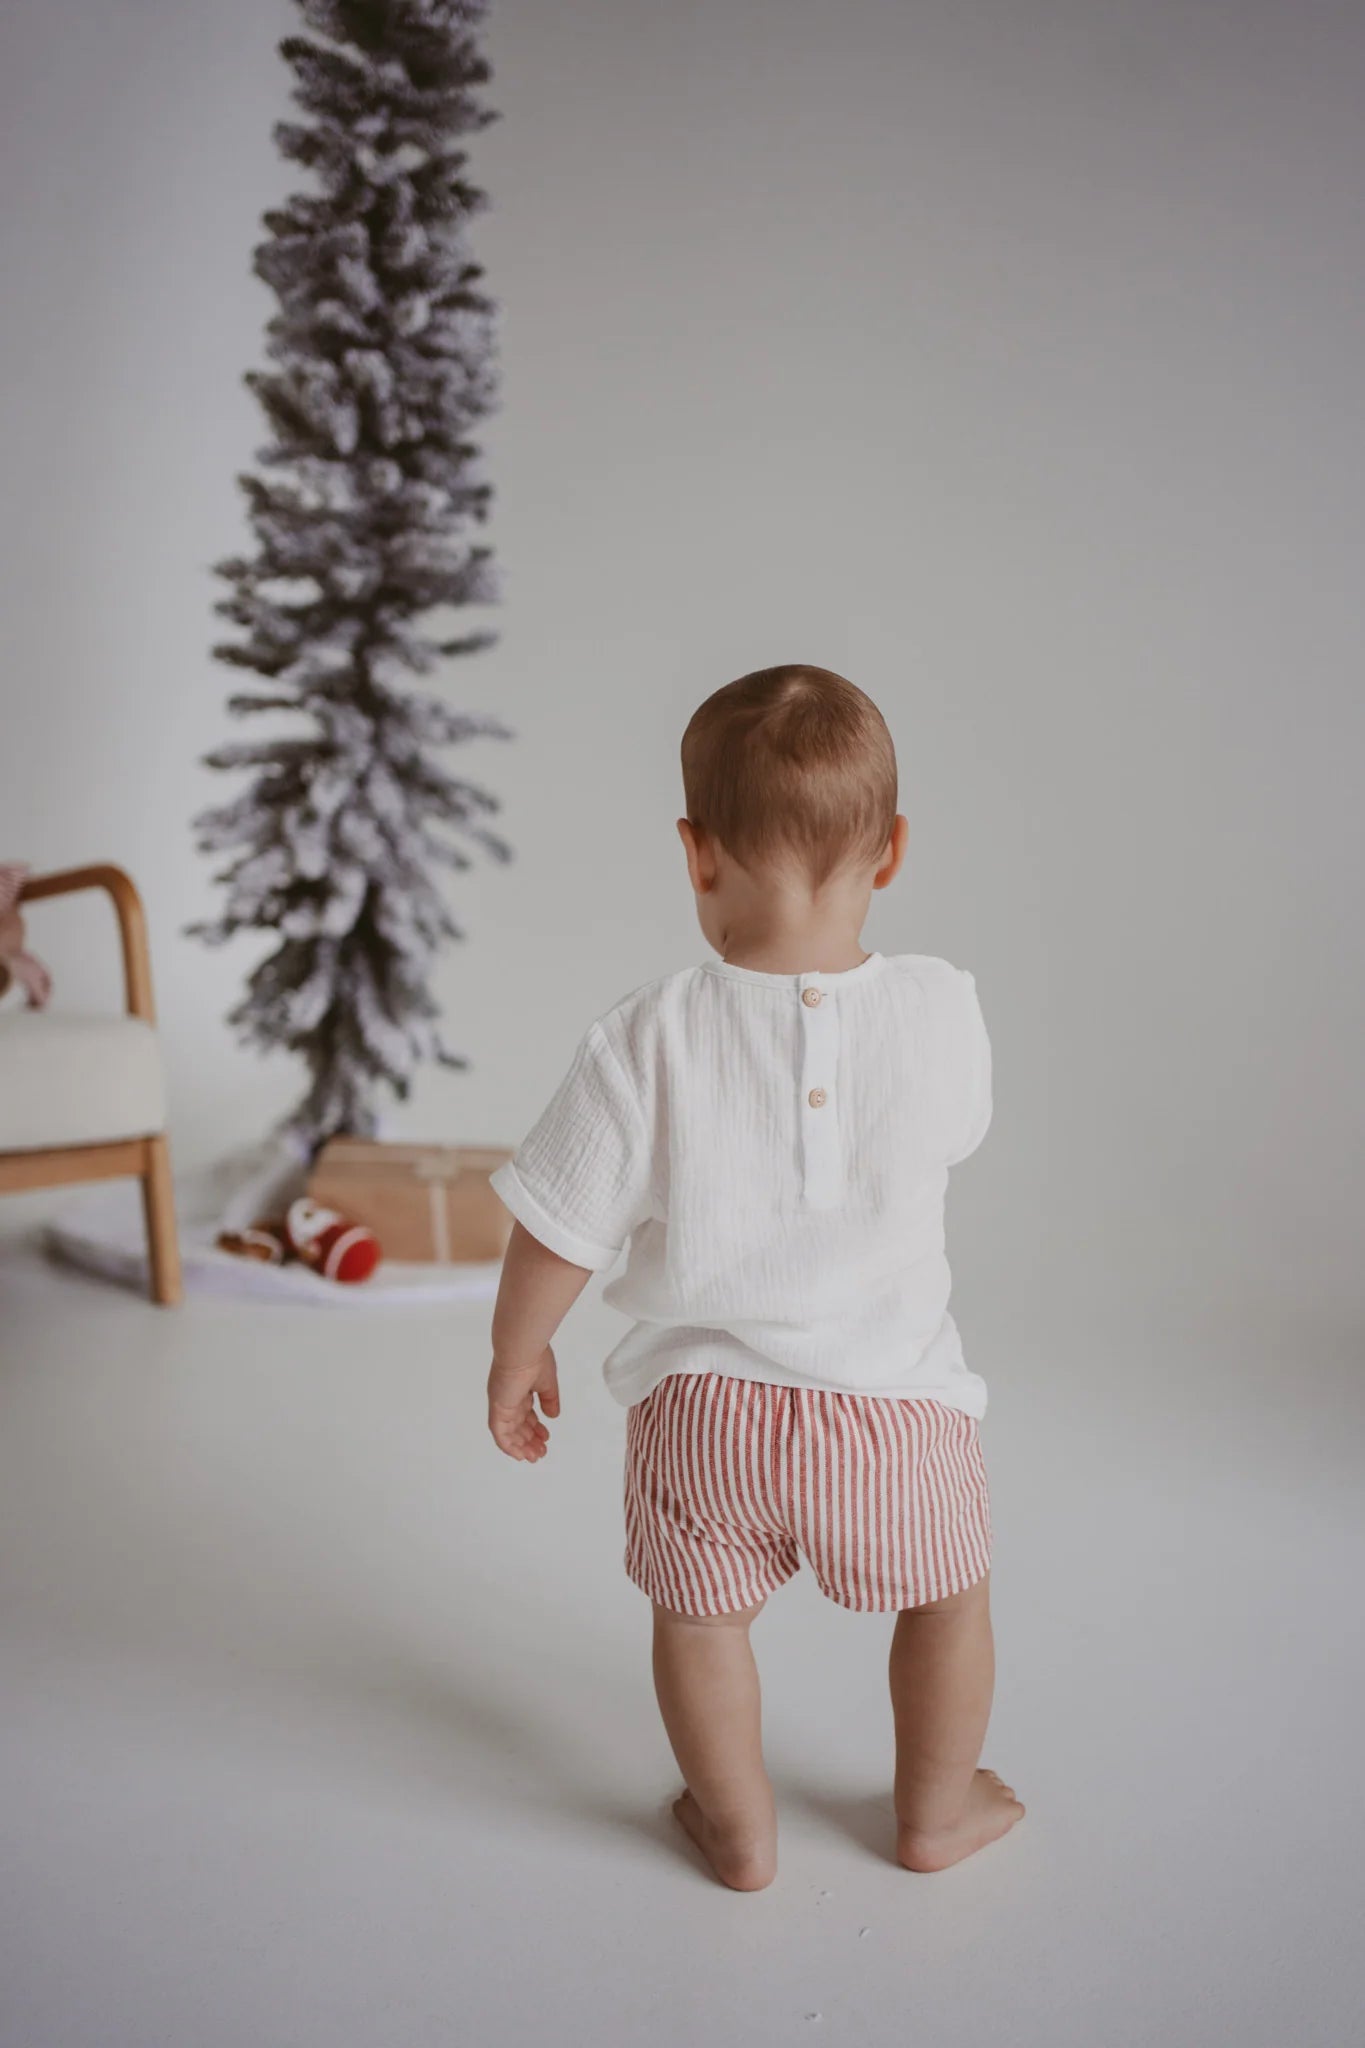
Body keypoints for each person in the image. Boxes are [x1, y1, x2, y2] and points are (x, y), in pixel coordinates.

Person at [486, 664, 1023, 1890]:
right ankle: (935, 1810)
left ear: (695, 852)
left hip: (703, 1414)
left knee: (699, 1618)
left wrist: (519, 1355)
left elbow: (562, 1223)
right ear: (890, 853)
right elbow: (958, 1130)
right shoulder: (943, 1010)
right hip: (898, 1410)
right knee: (949, 1597)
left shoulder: (648, 1032)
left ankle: (738, 1828)